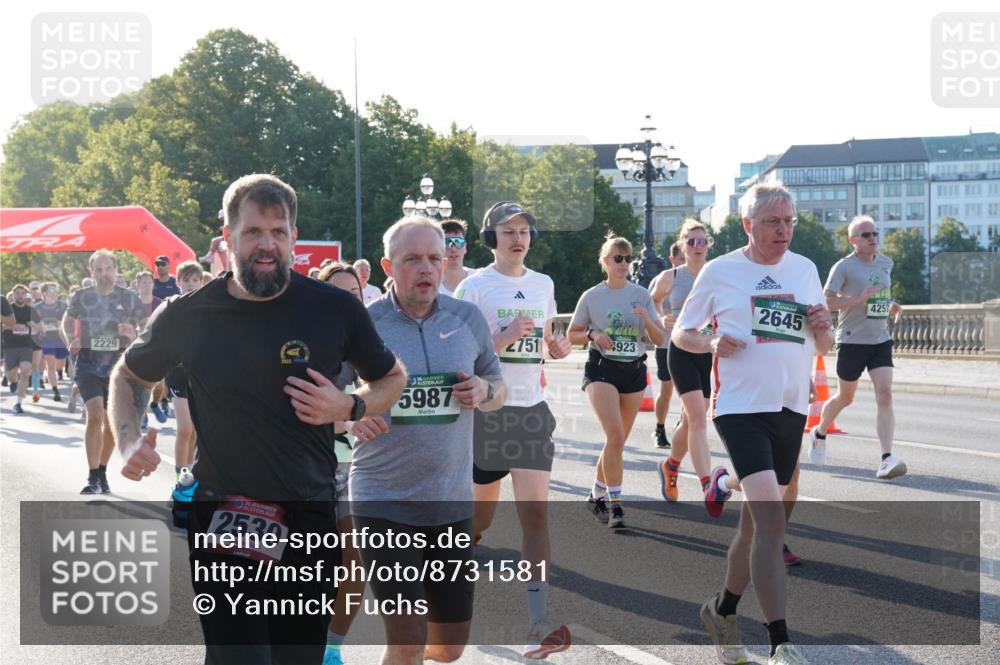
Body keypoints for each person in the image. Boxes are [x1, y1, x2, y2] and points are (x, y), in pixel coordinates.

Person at [108, 173, 406, 665]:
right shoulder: (188, 314)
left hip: (309, 512)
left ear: (293, 237)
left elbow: (392, 379)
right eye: (252, 232)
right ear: (227, 238)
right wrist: (126, 441)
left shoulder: (333, 308)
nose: (266, 245)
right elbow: (127, 376)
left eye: (278, 232)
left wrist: (349, 406)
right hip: (224, 515)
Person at [673, 182, 833, 665]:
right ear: (748, 225)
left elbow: (822, 346)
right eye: (772, 222)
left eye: (789, 222)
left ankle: (721, 610)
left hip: (790, 408)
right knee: (770, 521)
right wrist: (710, 344)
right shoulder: (722, 273)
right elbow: (682, 333)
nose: (783, 230)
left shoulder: (805, 269)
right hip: (740, 408)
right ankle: (780, 642)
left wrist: (826, 329)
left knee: (752, 530)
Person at [350, 217, 506, 665]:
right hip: (383, 500)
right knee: (408, 643)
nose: (426, 268)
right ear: (388, 265)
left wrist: (484, 391)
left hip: (451, 500)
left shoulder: (466, 318)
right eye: (412, 259)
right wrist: (349, 417)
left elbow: (497, 385)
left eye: (434, 258)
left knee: (449, 649)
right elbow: (329, 391)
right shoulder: (365, 323)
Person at [456, 201, 574, 660]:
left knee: (535, 516)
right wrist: (501, 339)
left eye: (524, 230)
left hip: (529, 412)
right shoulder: (474, 286)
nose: (518, 238)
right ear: (492, 238)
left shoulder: (543, 284)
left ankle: (536, 621)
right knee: (476, 521)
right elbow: (461, 352)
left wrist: (557, 346)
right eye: (508, 231)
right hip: (486, 413)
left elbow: (546, 341)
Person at [568, 234, 665, 528]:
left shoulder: (641, 294)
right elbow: (572, 334)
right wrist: (593, 335)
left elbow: (660, 338)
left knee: (617, 441)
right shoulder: (592, 296)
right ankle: (616, 505)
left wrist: (646, 318)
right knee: (614, 436)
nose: (623, 263)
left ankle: (595, 494)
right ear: (605, 262)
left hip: (633, 371)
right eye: (617, 258)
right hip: (601, 369)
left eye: (627, 258)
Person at [810, 214, 906, 480]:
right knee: (845, 398)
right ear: (853, 240)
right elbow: (826, 301)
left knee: (885, 395)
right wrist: (856, 299)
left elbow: (881, 293)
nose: (873, 239)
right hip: (852, 340)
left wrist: (891, 303)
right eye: (866, 235)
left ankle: (886, 458)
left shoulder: (886, 263)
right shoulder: (843, 267)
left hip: (880, 339)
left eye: (875, 234)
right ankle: (820, 432)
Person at [655, 220, 740, 516]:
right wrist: (663, 318)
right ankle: (708, 486)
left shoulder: (717, 274)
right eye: (692, 241)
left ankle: (670, 466)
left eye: (703, 241)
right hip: (680, 351)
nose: (698, 246)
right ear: (682, 245)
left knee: (692, 421)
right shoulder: (672, 276)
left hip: (709, 351)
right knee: (698, 419)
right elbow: (654, 301)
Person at [61, 250, 147, 493]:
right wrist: (70, 340)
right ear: (92, 272)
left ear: (116, 270)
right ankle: (91, 477)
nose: (103, 274)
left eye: (108, 269)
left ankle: (101, 472)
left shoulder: (129, 298)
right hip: (88, 363)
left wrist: (134, 336)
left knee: (110, 424)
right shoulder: (81, 296)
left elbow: (148, 330)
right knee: (95, 414)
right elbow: (66, 323)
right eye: (98, 270)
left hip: (118, 367)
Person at [316, 261, 366, 665]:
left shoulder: (373, 351)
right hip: (305, 470)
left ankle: (332, 646)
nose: (346, 299)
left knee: (356, 560)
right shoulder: (303, 346)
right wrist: (351, 417)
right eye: (337, 291)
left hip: (357, 470)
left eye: (354, 293)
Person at [164, 261, 205, 480]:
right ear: (178, 282)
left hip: (201, 376)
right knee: (185, 429)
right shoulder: (170, 307)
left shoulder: (210, 309)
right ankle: (179, 481)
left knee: (196, 432)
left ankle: (188, 477)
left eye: (195, 280)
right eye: (186, 280)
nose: (190, 284)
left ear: (202, 282)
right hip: (178, 374)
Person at [647, 241, 687, 448]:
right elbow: (649, 305)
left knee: (688, 391)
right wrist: (662, 319)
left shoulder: (698, 277)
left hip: (690, 343)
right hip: (666, 343)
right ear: (672, 260)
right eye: (681, 259)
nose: (685, 263)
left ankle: (683, 425)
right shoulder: (663, 279)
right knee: (667, 390)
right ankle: (659, 428)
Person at [4, 285, 42, 414]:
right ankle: (13, 382)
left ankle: (18, 403)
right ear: (13, 295)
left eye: (22, 293)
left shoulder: (32, 310)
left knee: (26, 372)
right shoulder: (8, 309)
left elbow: (42, 328)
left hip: (26, 346)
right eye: (17, 293)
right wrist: (13, 327)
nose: (20, 296)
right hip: (10, 346)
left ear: (26, 295)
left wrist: (34, 325)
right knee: (11, 375)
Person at [35, 282, 68, 401]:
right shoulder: (37, 307)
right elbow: (32, 323)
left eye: (56, 291)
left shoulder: (63, 305)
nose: (55, 293)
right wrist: (39, 326)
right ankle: (55, 390)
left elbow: (70, 320)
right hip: (46, 340)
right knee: (51, 364)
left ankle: (60, 371)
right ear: (44, 293)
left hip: (61, 339)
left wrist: (62, 324)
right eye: (52, 291)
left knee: (61, 363)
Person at [439, 218, 477, 296]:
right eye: (447, 243)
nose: (453, 249)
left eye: (458, 242)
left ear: (465, 247)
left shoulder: (478, 279)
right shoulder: (431, 283)